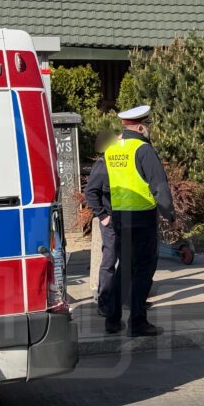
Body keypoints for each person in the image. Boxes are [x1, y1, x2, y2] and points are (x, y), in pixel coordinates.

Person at [97, 105, 175, 337]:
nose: (149, 130)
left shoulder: (112, 150)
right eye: (148, 125)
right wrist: (169, 214)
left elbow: (106, 183)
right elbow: (159, 187)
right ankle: (138, 322)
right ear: (141, 126)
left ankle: (112, 320)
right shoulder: (143, 150)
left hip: (120, 217)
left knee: (124, 269)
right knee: (143, 270)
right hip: (142, 218)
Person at [84, 130, 118, 317]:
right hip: (110, 220)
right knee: (110, 259)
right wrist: (103, 215)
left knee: (126, 259)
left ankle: (126, 299)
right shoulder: (103, 165)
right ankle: (104, 303)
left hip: (123, 218)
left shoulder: (117, 164)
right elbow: (90, 192)